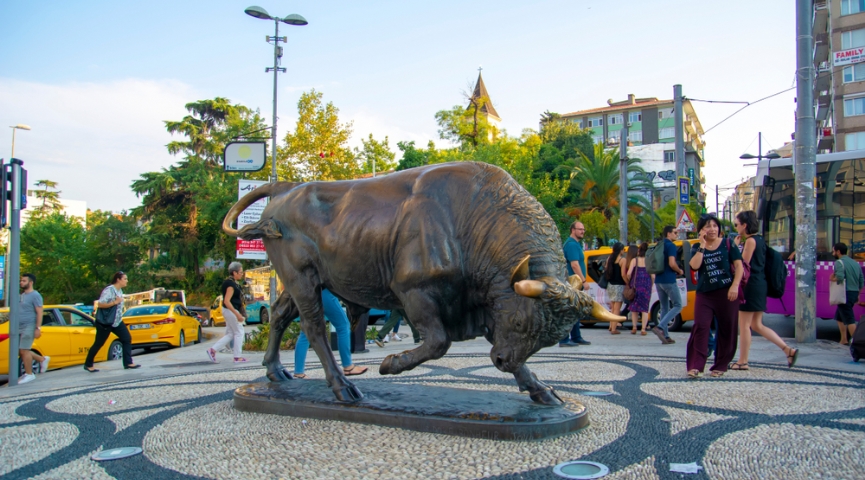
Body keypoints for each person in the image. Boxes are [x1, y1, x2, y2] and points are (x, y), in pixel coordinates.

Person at [731, 211, 799, 369]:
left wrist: (734, 247)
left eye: (736, 224)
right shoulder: (760, 239)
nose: (736, 227)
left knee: (744, 325)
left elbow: (743, 265)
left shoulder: (750, 241)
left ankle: (743, 361)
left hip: (751, 286)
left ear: (744, 225)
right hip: (760, 285)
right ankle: (787, 350)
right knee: (756, 325)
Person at [687, 215, 743, 378]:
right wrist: (702, 245)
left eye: (714, 226)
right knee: (701, 326)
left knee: (727, 328)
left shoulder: (727, 243)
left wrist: (735, 286)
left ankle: (721, 364)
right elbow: (694, 266)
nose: (712, 229)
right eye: (707, 226)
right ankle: (696, 365)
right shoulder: (697, 247)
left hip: (727, 292)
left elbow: (739, 266)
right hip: (705, 294)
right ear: (701, 230)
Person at [293, 289, 368, 378]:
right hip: (323, 291)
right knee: (343, 326)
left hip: (307, 292)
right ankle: (348, 366)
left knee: (307, 331)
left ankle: (298, 372)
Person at [84, 272, 139, 372]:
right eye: (125, 279)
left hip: (117, 321)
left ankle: (128, 363)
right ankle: (88, 364)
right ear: (118, 279)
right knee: (99, 343)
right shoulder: (109, 290)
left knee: (127, 339)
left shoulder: (119, 290)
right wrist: (115, 302)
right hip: (106, 322)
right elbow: (100, 304)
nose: (127, 281)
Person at [207, 262, 249, 364]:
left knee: (231, 333)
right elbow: (226, 301)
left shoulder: (232, 283)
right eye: (240, 272)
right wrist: (237, 314)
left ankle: (213, 350)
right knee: (239, 332)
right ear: (234, 272)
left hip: (228, 310)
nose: (242, 274)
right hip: (231, 310)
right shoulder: (230, 285)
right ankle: (237, 357)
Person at [560, 221, 591, 347]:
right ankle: (564, 339)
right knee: (569, 310)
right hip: (572, 283)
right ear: (573, 230)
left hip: (574, 284)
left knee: (575, 310)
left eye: (583, 229)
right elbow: (574, 265)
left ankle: (576, 337)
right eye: (580, 229)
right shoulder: (571, 245)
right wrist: (583, 280)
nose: (582, 231)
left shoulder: (575, 244)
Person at [651, 226, 684, 345]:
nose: (677, 235)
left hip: (658, 280)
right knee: (678, 305)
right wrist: (679, 270)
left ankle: (665, 335)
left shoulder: (659, 245)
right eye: (675, 232)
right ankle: (660, 327)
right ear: (668, 234)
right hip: (669, 279)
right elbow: (672, 263)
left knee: (664, 307)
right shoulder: (671, 246)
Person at [16, 274, 48, 384]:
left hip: (29, 325)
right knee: (21, 351)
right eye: (21, 280)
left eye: (24, 281)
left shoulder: (35, 295)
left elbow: (40, 311)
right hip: (19, 326)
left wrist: (38, 328)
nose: (21, 282)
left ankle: (29, 374)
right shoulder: (22, 295)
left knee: (24, 350)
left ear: (31, 282)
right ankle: (42, 359)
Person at [831, 242, 864, 346]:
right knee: (839, 316)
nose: (832, 253)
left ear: (838, 252)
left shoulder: (839, 262)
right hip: (853, 293)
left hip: (845, 293)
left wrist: (832, 278)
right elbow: (861, 281)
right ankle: (843, 339)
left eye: (833, 251)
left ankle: (857, 343)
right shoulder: (855, 263)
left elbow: (840, 277)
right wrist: (858, 294)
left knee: (849, 319)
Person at [626, 243, 654, 335]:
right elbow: (653, 276)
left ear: (639, 251)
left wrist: (630, 281)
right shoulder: (649, 261)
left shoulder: (634, 260)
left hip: (635, 286)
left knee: (634, 308)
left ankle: (634, 328)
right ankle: (643, 329)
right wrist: (651, 284)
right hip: (646, 287)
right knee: (644, 309)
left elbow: (628, 273)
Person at [604, 242, 626, 334]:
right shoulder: (622, 260)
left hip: (610, 285)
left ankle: (611, 325)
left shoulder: (609, 259)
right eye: (623, 249)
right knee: (617, 308)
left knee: (613, 307)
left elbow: (606, 270)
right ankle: (614, 328)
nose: (624, 251)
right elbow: (623, 274)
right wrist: (628, 282)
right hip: (619, 286)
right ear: (620, 250)